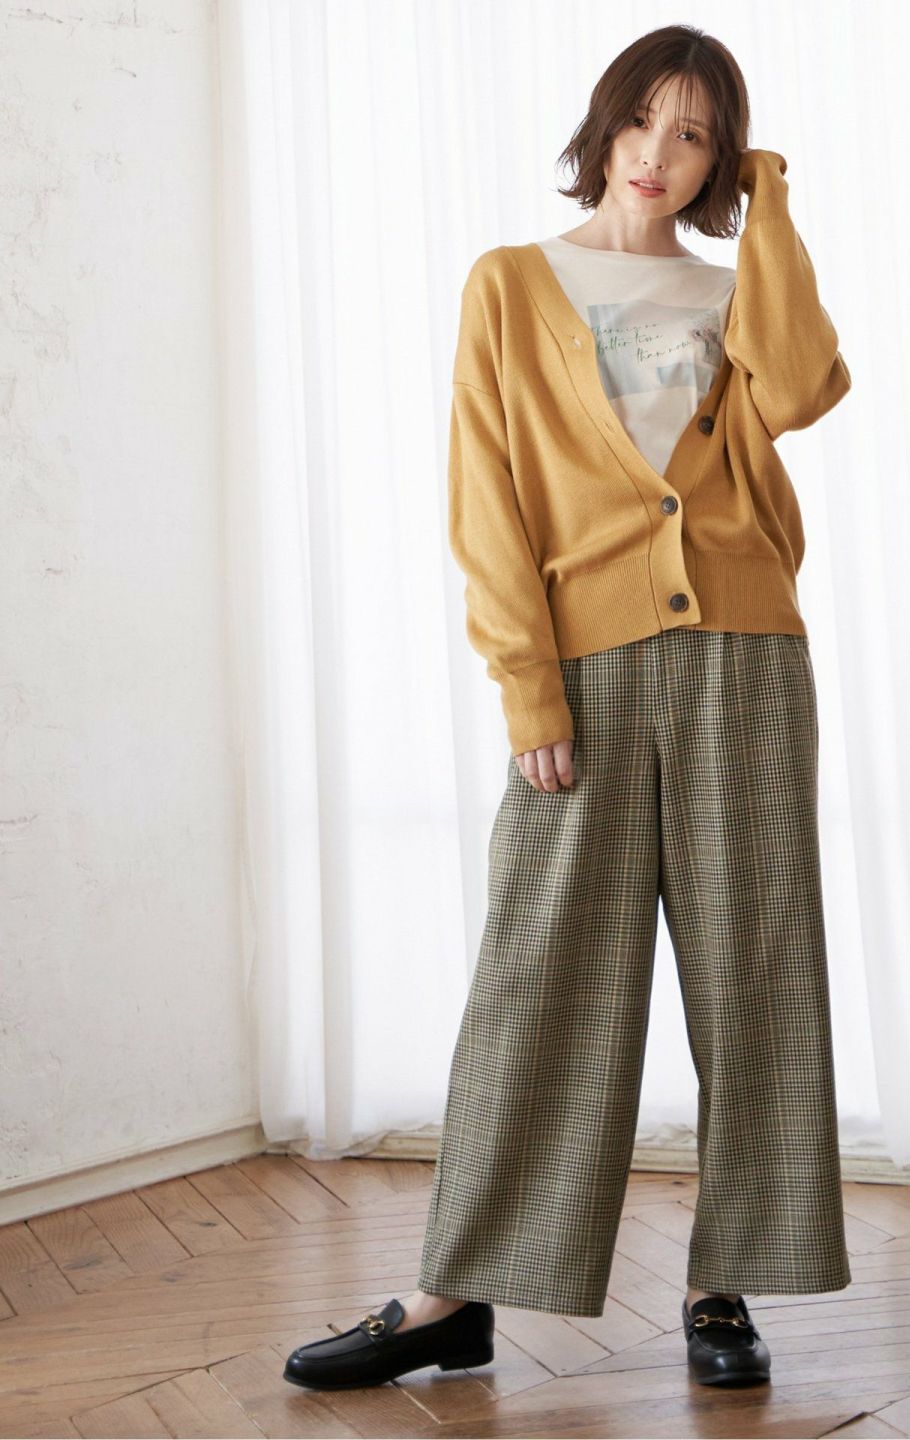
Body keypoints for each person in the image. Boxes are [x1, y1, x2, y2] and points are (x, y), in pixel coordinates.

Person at [284, 22, 851, 1393]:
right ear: (603, 126)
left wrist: (770, 201)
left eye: (695, 136)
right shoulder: (510, 283)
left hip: (743, 653)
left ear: (720, 161)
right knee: (538, 976)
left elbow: (802, 388)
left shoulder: (733, 289)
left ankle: (722, 1288)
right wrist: (526, 683)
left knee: (756, 969)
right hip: (582, 666)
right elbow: (487, 495)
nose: (659, 154)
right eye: (642, 121)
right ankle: (453, 1293)